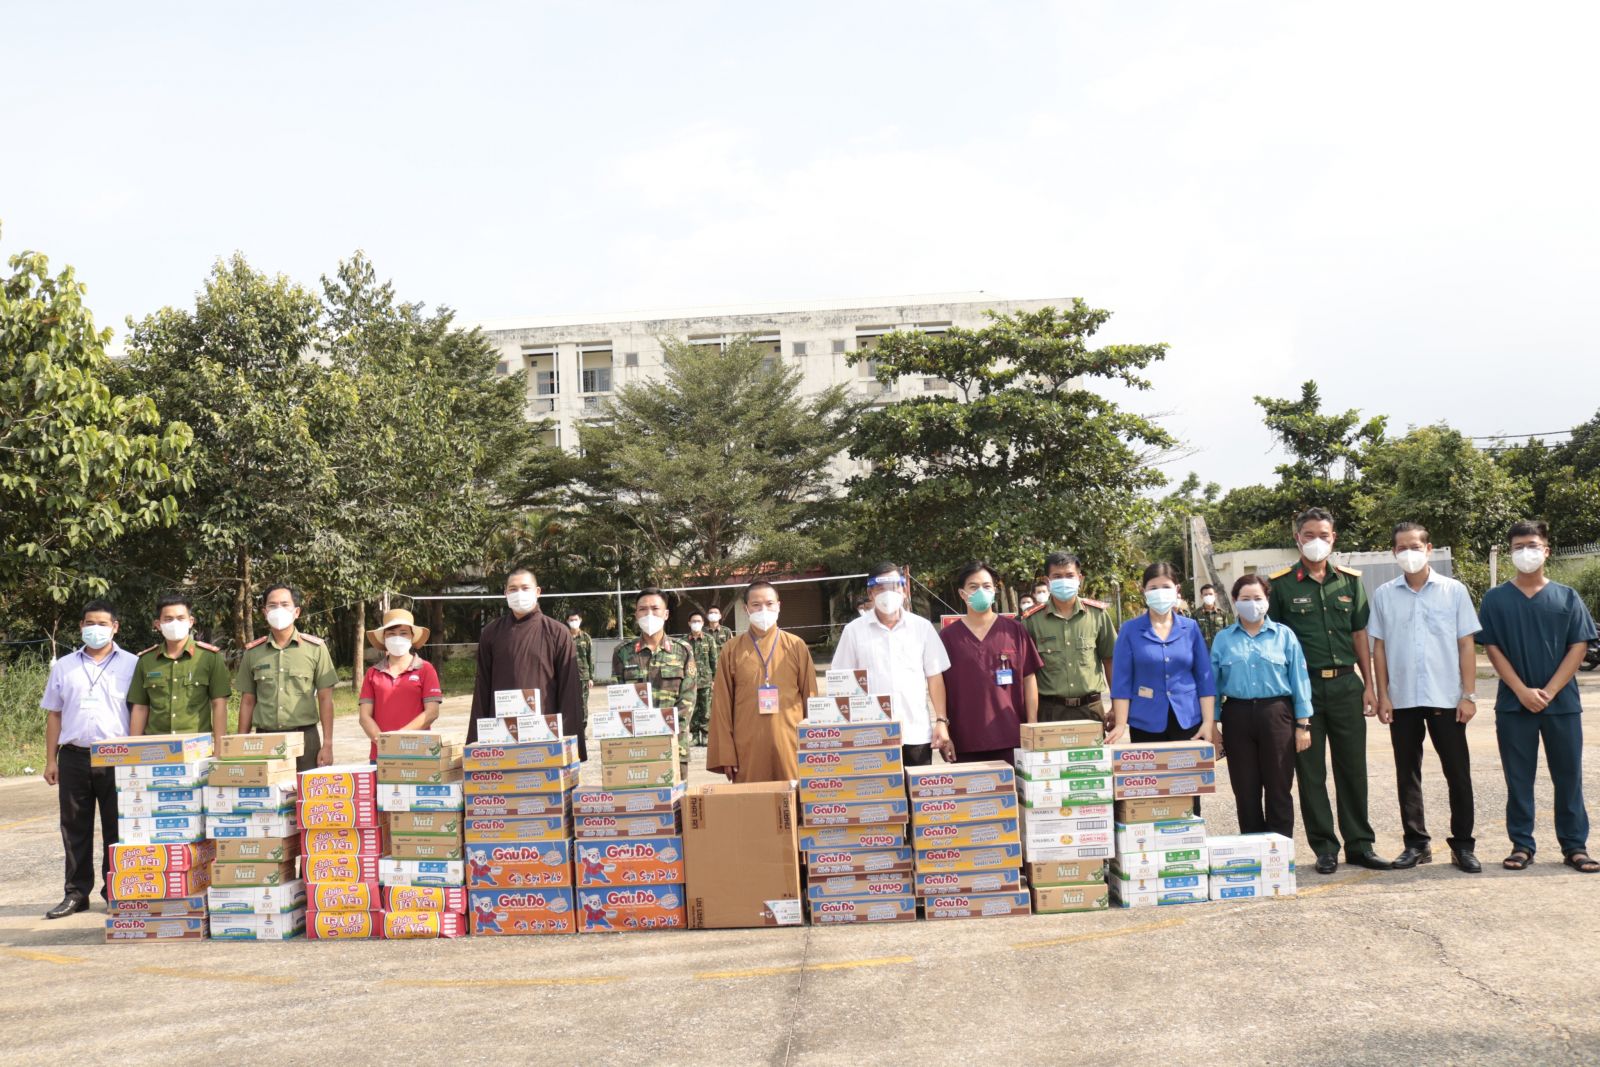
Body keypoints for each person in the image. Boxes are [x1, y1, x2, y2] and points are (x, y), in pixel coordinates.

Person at [1267, 508, 1391, 874]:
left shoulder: (1350, 582)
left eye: (1323, 534)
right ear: (1297, 538)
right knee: (1310, 772)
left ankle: (1360, 845)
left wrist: (1368, 685)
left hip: (1345, 687)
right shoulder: (1283, 584)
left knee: (1352, 768)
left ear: (1333, 538)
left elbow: (1359, 635)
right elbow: (1276, 642)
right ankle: (1324, 847)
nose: (1316, 541)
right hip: (1302, 692)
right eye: (1308, 535)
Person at [1478, 520, 1598, 874]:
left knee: (1569, 776)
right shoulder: (1496, 599)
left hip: (1561, 704)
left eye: (1532, 545)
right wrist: (1521, 690)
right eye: (1518, 546)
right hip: (1515, 705)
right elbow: (1493, 648)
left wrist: (1550, 690)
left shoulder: (1567, 596)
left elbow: (1579, 646)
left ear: (1546, 549)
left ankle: (1575, 846)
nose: (1525, 552)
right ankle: (1522, 845)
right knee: (1518, 778)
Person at [1369, 522, 1483, 873]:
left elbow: (1466, 644)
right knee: (1408, 773)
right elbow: (1380, 648)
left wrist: (1469, 694)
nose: (1409, 552)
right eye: (1401, 547)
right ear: (1393, 553)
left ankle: (1462, 845)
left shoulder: (1453, 591)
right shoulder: (1385, 594)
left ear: (1428, 548)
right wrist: (1383, 694)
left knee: (1457, 773)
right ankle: (1416, 843)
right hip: (1402, 698)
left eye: (1415, 545)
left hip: (1446, 697)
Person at [40, 599, 138, 918]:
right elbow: (54, 714)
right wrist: (50, 760)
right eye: (89, 623)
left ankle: (115, 890)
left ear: (115, 627)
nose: (95, 629)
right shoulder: (65, 666)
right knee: (74, 827)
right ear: (81, 627)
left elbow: (139, 711)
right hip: (74, 756)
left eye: (102, 624)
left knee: (117, 827)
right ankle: (76, 893)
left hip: (117, 757)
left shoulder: (132, 664)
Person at [1210, 574, 1313, 838]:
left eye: (1258, 598)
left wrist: (1302, 724)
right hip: (1237, 716)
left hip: (1277, 714)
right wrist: (1212, 724)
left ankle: (1279, 850)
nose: (1252, 604)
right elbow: (1213, 685)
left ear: (1267, 600)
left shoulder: (1284, 636)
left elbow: (1299, 680)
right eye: (1245, 599)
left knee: (1279, 786)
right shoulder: (1223, 639)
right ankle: (1254, 851)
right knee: (1246, 790)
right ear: (1234, 601)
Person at [831, 562, 952, 767]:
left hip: (915, 732)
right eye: (881, 588)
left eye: (894, 586)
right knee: (876, 796)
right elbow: (841, 683)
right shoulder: (854, 631)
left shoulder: (922, 628)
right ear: (871, 593)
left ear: (904, 590)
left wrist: (941, 721)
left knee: (915, 795)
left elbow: (934, 677)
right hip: (870, 735)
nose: (888, 593)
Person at [707, 580, 818, 782]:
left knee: (794, 806)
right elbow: (721, 706)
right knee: (753, 805)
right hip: (747, 747)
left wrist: (814, 746)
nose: (763, 609)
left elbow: (811, 698)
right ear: (746, 609)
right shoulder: (731, 649)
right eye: (756, 605)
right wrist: (726, 754)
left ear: (779, 606)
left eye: (769, 604)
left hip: (791, 743)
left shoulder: (796, 645)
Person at [467, 567, 584, 758]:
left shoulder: (558, 632)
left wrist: (570, 747)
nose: (518, 593)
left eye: (525, 587)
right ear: (505, 594)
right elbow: (482, 688)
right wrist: (476, 742)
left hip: (545, 732)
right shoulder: (491, 633)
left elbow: (569, 692)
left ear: (537, 592)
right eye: (512, 589)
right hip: (501, 733)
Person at [938, 561, 1042, 763]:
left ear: (995, 591)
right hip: (965, 741)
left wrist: (1032, 726)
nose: (981, 592)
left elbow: (1029, 679)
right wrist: (944, 730)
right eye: (973, 587)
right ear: (962, 594)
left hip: (1011, 738)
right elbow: (938, 685)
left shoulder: (1014, 631)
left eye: (986, 586)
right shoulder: (948, 637)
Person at [1109, 563, 1217, 745]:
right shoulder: (1130, 630)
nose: (1160, 592)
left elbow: (1204, 678)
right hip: (1145, 721)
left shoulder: (1190, 628)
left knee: (1188, 773)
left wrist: (1208, 722)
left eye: (1166, 587)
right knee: (1151, 773)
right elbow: (1122, 681)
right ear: (1144, 591)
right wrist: (1120, 724)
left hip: (1189, 719)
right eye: (1153, 588)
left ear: (1177, 589)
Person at [235, 584, 338, 771]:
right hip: (263, 740)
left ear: (296, 611)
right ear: (265, 612)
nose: (278, 610)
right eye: (272, 606)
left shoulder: (315, 649)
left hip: (306, 739)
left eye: (284, 604)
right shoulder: (253, 653)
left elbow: (325, 699)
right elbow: (248, 701)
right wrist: (240, 742)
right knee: (268, 797)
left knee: (306, 797)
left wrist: (328, 744)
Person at [613, 587, 698, 780]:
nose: (649, 614)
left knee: (677, 805)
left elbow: (688, 700)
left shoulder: (682, 651)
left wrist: (666, 731)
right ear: (636, 614)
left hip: (673, 744)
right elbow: (618, 700)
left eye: (655, 608)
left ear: (666, 614)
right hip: (636, 747)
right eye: (643, 609)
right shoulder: (623, 653)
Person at [1023, 551, 1117, 724]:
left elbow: (1110, 660)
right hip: (1049, 710)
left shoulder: (1097, 615)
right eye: (1057, 576)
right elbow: (1027, 673)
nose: (1064, 580)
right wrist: (1031, 719)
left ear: (1079, 578)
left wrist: (1116, 705)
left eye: (1069, 575)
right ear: (1047, 580)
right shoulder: (1031, 620)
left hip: (1090, 709)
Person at [127, 592, 231, 740]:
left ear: (190, 621)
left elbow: (219, 704)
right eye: (168, 619)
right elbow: (140, 707)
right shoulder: (146, 660)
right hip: (156, 746)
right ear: (158, 624)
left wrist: (220, 749)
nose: (175, 623)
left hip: (197, 745)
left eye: (181, 618)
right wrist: (134, 748)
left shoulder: (209, 657)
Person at [357, 608, 443, 761]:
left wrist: (398, 739)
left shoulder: (425, 669)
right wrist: (384, 742)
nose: (397, 638)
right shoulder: (372, 673)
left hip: (419, 754)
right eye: (391, 634)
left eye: (403, 633)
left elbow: (432, 713)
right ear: (384, 638)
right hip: (381, 755)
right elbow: (364, 716)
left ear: (412, 637)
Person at [685, 610, 718, 746]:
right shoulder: (684, 641)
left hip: (706, 680)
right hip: (690, 681)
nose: (696, 624)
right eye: (694, 621)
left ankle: (705, 735)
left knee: (705, 709)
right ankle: (694, 736)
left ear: (703, 623)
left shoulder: (709, 640)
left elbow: (714, 661)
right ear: (689, 623)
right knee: (692, 710)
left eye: (698, 621)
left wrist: (715, 679)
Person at [567, 611, 595, 695]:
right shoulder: (564, 636)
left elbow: (590, 658)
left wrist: (591, 678)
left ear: (580, 620)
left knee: (583, 705)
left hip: (583, 677)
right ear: (567, 621)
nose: (574, 622)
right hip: (568, 676)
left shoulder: (586, 637)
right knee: (569, 703)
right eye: (571, 620)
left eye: (576, 619)